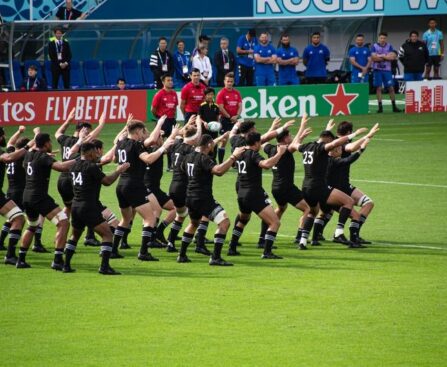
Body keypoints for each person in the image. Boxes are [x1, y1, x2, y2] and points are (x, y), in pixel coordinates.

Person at [297, 118, 368, 248]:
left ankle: (302, 241)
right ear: (329, 141)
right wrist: (355, 134)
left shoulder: (306, 147)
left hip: (305, 187)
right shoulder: (324, 150)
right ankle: (339, 232)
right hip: (319, 187)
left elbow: (294, 145)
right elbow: (337, 143)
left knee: (313, 212)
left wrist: (301, 132)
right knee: (349, 202)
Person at [111, 118, 175, 261]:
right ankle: (143, 252)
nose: (143, 134)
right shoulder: (136, 144)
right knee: (150, 218)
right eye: (143, 131)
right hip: (134, 185)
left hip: (121, 185)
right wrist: (163, 148)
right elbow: (148, 159)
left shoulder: (120, 143)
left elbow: (115, 160)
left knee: (125, 219)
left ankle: (113, 250)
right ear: (138, 131)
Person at [177, 135, 246, 265]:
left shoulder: (187, 157)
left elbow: (181, 169)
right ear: (208, 145)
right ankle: (215, 257)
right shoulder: (204, 159)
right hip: (202, 198)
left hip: (189, 197)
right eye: (212, 144)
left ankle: (182, 255)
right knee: (224, 222)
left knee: (193, 224)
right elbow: (219, 171)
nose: (213, 146)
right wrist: (233, 157)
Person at [64, 142, 129, 275]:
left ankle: (66, 265)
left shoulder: (73, 166)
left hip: (76, 205)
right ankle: (104, 267)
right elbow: (107, 182)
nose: (97, 154)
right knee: (107, 234)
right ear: (88, 153)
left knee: (74, 236)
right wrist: (118, 171)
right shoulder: (91, 167)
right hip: (89, 206)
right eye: (95, 152)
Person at [19, 133, 76, 269]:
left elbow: (30, 165)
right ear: (45, 143)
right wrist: (79, 159)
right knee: (63, 222)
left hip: (26, 196)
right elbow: (62, 167)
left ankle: (20, 259)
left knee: (32, 226)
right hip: (39, 197)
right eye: (50, 142)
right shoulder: (43, 157)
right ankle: (57, 259)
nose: (51, 144)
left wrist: (45, 161)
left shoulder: (28, 155)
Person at [227, 132, 287, 259]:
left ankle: (232, 247)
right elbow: (266, 165)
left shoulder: (240, 153)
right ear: (256, 143)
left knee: (243, 220)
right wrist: (279, 153)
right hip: (253, 193)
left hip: (241, 193)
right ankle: (267, 252)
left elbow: (232, 164)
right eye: (260, 142)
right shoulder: (253, 154)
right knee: (275, 222)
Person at [261, 117, 315, 250]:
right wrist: (302, 126)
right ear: (285, 139)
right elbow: (295, 143)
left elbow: (263, 141)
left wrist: (272, 128)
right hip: (287, 187)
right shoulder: (284, 149)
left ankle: (263, 236)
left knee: (281, 208)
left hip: (276, 187)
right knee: (308, 208)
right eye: (289, 135)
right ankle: (300, 236)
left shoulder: (271, 149)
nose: (291, 137)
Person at [54, 108, 105, 246]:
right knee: (87, 203)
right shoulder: (82, 144)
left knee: (69, 207)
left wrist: (68, 120)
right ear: (82, 130)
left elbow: (57, 133)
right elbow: (91, 137)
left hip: (62, 179)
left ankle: (60, 232)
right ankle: (89, 235)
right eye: (87, 131)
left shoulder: (65, 139)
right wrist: (101, 124)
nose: (88, 134)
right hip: (74, 178)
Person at [166, 118, 202, 253]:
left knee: (181, 215)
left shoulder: (176, 145)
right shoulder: (190, 150)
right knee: (201, 214)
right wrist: (198, 125)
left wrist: (189, 127)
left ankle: (170, 241)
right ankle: (199, 243)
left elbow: (186, 136)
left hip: (173, 186)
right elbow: (198, 140)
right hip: (184, 187)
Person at [0, 127, 30, 266]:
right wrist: (29, 145)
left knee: (16, 217)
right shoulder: (3, 153)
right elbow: (9, 158)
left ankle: (9, 253)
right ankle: (10, 255)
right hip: (17, 191)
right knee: (18, 218)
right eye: (3, 135)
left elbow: (10, 147)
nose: (5, 137)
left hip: (5, 192)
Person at [371, 32, 401, 113]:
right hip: (377, 70)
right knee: (378, 88)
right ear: (378, 38)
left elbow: (392, 58)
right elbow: (373, 58)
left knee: (391, 88)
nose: (382, 40)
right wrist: (386, 57)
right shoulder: (374, 46)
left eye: (384, 38)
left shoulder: (389, 46)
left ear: (386, 39)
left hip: (387, 70)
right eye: (381, 38)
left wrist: (381, 56)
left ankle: (394, 107)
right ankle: (380, 107)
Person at [216, 72, 242, 163]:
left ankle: (234, 162)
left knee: (237, 141)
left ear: (233, 82)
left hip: (235, 119)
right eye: (228, 81)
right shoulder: (221, 93)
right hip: (225, 120)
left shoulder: (237, 93)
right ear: (224, 82)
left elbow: (240, 106)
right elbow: (221, 107)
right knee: (223, 141)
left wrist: (237, 116)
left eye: (231, 81)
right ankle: (220, 162)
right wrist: (230, 117)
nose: (229, 83)